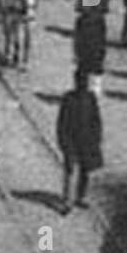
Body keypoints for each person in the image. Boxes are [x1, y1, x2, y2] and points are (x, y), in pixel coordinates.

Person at [56, 69, 103, 213]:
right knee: (70, 170)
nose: (82, 84)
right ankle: (67, 201)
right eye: (80, 82)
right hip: (71, 139)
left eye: (84, 82)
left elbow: (96, 120)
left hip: (87, 140)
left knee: (85, 170)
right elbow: (62, 122)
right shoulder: (68, 98)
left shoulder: (91, 98)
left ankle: (81, 197)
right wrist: (63, 142)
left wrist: (97, 138)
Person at [74, 7, 107, 92]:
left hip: (90, 48)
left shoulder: (82, 20)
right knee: (91, 66)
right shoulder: (99, 20)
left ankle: (85, 90)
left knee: (86, 66)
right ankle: (92, 89)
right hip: (93, 48)